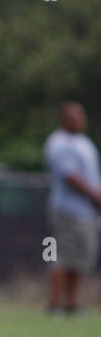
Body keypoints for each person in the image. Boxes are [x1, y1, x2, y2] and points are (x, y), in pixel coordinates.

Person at [44, 101, 101, 314]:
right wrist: (94, 196)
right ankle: (55, 304)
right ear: (64, 119)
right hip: (66, 210)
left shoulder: (85, 143)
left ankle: (72, 305)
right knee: (62, 256)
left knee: (81, 257)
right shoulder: (58, 142)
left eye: (81, 115)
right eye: (75, 116)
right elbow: (69, 175)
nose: (80, 119)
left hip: (87, 212)